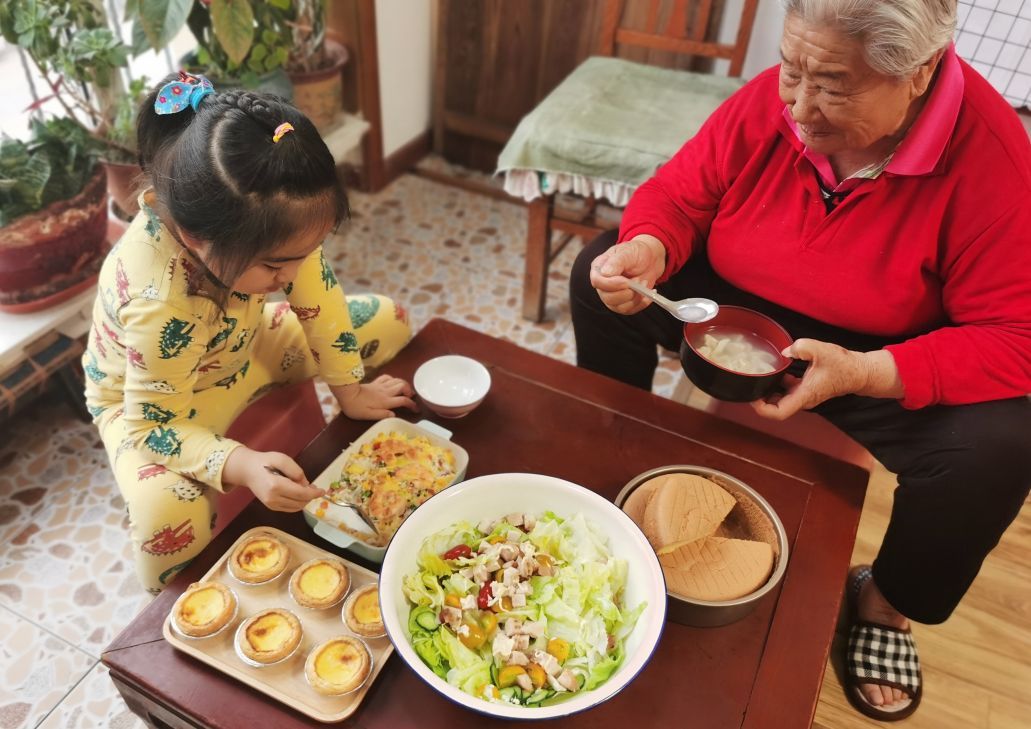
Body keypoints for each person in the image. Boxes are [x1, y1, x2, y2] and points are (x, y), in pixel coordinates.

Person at [570, 0, 1031, 721]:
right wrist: (652, 245)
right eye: (791, 69)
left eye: (835, 86)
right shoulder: (774, 101)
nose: (800, 108)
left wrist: (870, 371)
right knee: (601, 272)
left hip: (875, 353)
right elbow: (680, 193)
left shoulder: (992, 158)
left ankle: (884, 604)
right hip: (737, 305)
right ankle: (622, 469)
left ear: (918, 73)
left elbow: (1015, 333)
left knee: (1000, 446)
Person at [83, 72, 416, 593]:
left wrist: (349, 391)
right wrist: (240, 465)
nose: (293, 277)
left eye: (304, 256)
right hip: (149, 407)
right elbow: (152, 427)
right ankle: (167, 612)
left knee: (387, 319)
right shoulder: (158, 304)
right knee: (168, 508)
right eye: (277, 267)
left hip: (244, 347)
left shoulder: (264, 224)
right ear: (196, 239)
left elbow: (318, 298)